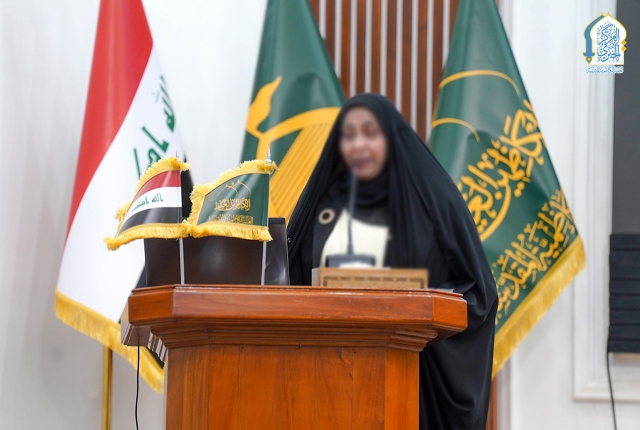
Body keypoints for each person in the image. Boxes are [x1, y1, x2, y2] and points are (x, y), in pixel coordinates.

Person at [287, 93, 498, 430]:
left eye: (370, 133)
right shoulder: (320, 206)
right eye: (348, 134)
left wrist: (424, 309)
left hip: (410, 378)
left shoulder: (433, 203)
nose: (358, 144)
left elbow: (479, 295)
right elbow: (289, 284)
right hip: (326, 379)